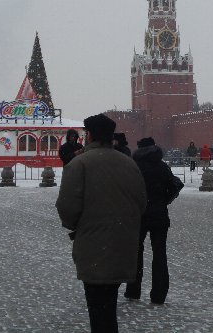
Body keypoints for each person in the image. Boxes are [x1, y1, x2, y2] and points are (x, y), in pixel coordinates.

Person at [56, 113, 146, 333]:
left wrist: (79, 226)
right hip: (123, 245)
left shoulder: (79, 164)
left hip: (93, 247)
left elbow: (67, 207)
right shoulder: (129, 164)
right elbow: (142, 202)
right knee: (109, 306)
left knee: (97, 308)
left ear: (89, 135)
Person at [124, 137, 183, 304]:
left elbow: (127, 190)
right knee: (160, 254)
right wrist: (164, 201)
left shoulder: (134, 167)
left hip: (139, 215)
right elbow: (174, 185)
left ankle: (133, 290)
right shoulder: (162, 166)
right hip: (159, 215)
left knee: (136, 252)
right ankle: (159, 293)